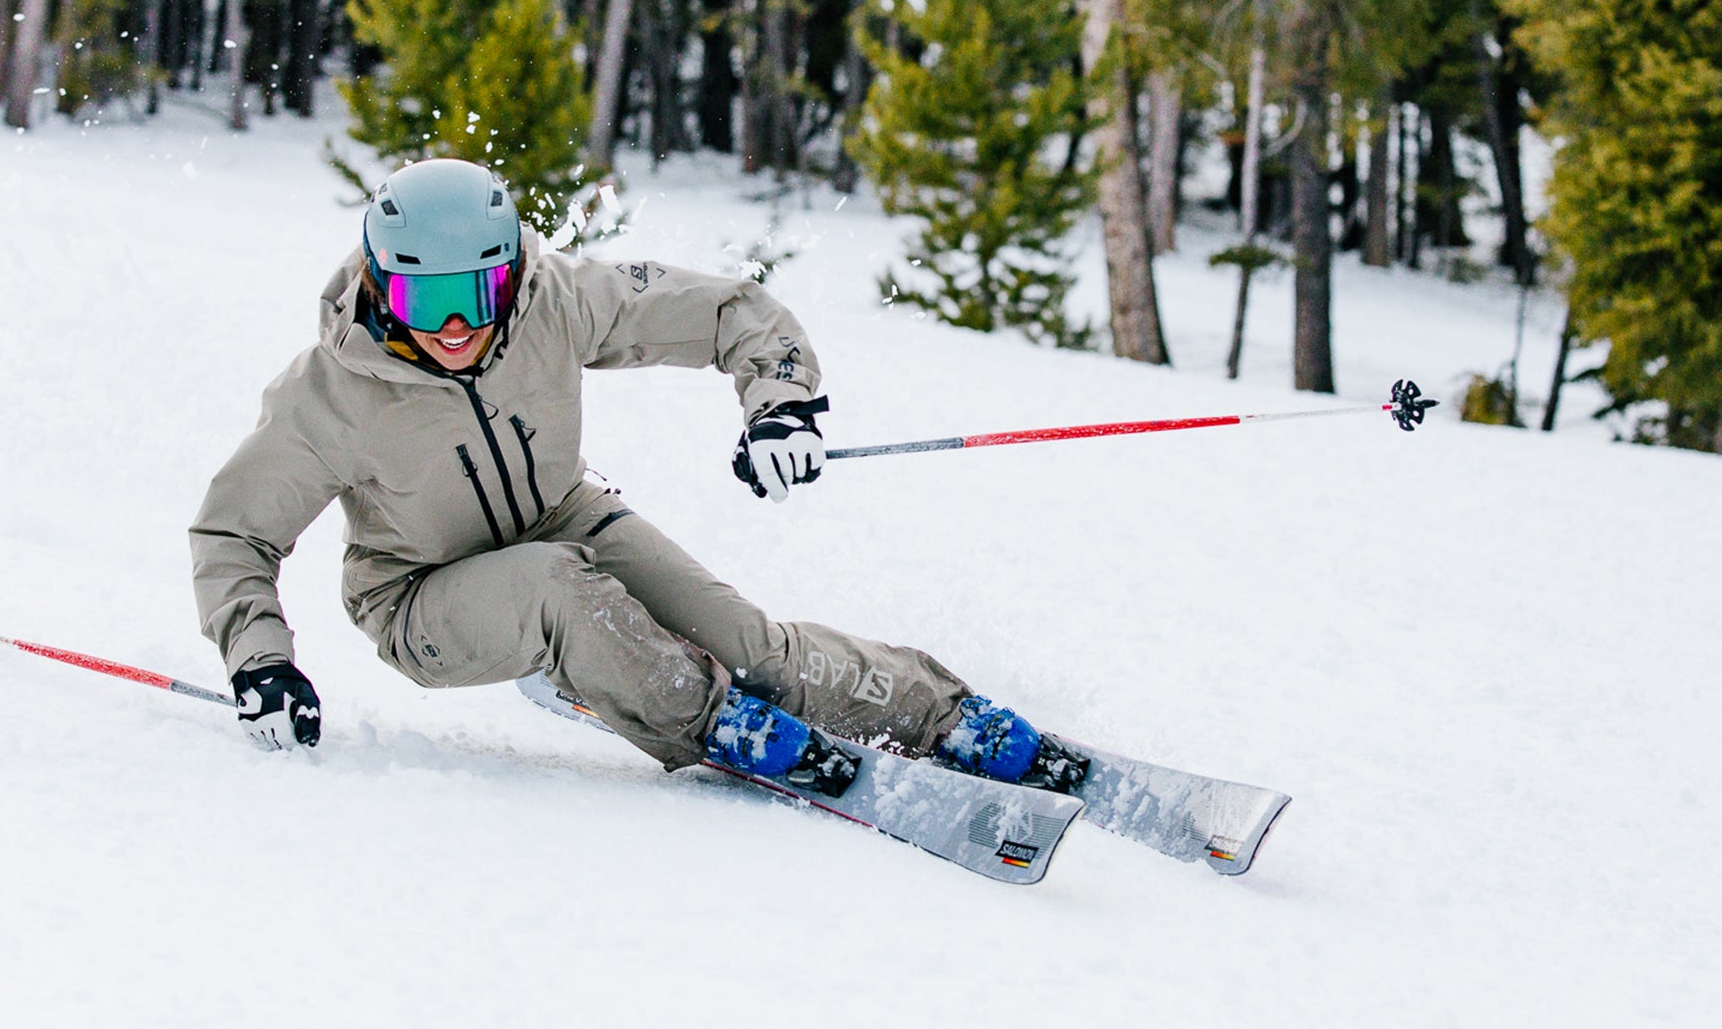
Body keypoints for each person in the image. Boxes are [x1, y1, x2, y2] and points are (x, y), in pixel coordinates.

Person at [190, 158, 1085, 797]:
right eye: (430, 301)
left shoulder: (552, 301)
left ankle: (945, 714)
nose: (459, 326)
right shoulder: (327, 395)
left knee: (751, 644)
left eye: (482, 293)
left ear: (513, 274)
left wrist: (779, 403)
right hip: (420, 598)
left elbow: (728, 309)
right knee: (558, 591)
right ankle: (708, 719)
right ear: (384, 287)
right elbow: (234, 533)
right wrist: (259, 660)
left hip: (562, 516)